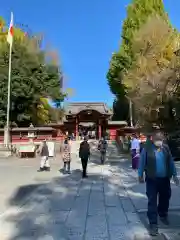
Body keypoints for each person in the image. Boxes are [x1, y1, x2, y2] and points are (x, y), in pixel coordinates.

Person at [138, 131, 179, 236]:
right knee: (152, 200)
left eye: (161, 140)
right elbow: (142, 161)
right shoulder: (147, 148)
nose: (159, 142)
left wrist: (175, 175)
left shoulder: (165, 148)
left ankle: (163, 214)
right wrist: (140, 175)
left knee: (165, 197)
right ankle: (153, 224)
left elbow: (170, 162)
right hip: (152, 179)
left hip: (165, 179)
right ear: (152, 139)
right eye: (157, 140)